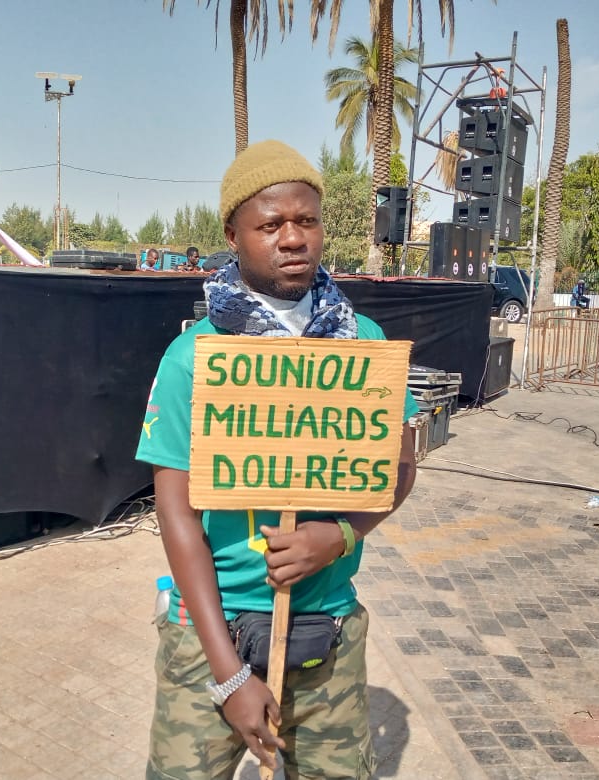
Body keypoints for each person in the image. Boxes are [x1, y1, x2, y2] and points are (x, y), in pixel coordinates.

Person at [136, 139, 420, 779]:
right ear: (233, 234)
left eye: (307, 221)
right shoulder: (196, 358)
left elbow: (397, 470)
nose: (292, 238)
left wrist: (339, 534)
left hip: (326, 632)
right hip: (210, 633)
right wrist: (229, 676)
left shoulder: (364, 345)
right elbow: (176, 514)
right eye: (270, 225)